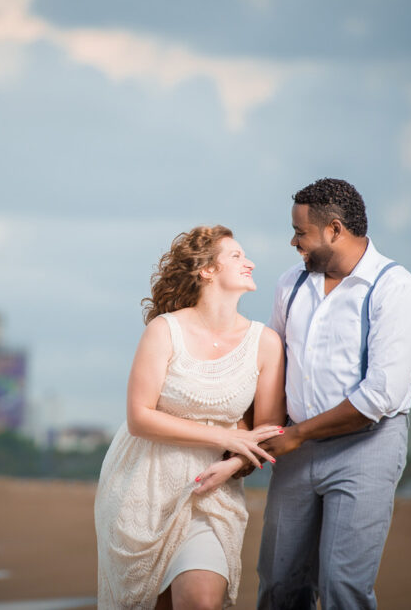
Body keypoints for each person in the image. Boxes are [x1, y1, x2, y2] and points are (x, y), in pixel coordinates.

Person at [255, 178, 411, 609]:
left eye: (301, 232)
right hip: (295, 449)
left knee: (341, 587)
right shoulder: (289, 284)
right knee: (278, 585)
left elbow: (380, 396)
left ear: (334, 229)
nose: (293, 242)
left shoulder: (396, 289)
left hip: (367, 446)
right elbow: (272, 368)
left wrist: (297, 435)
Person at [94, 225, 286, 609]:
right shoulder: (165, 331)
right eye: (236, 255)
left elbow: (265, 431)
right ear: (206, 270)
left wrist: (231, 465)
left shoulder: (265, 343)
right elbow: (139, 418)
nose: (249, 262)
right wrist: (226, 439)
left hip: (210, 491)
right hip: (141, 487)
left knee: (200, 600)